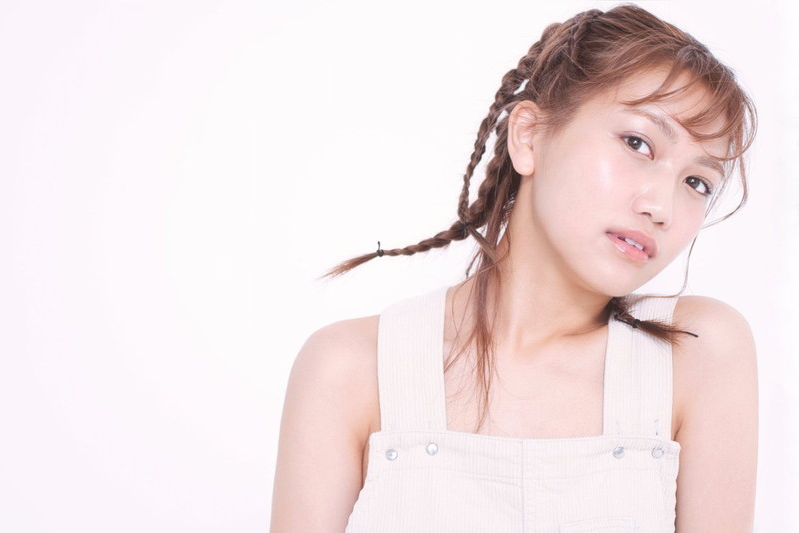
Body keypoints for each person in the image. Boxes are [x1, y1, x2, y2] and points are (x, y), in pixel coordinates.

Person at [270, 4, 758, 532]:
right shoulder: (351, 369)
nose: (661, 207)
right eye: (638, 143)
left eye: (697, 183)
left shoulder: (697, 354)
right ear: (529, 136)